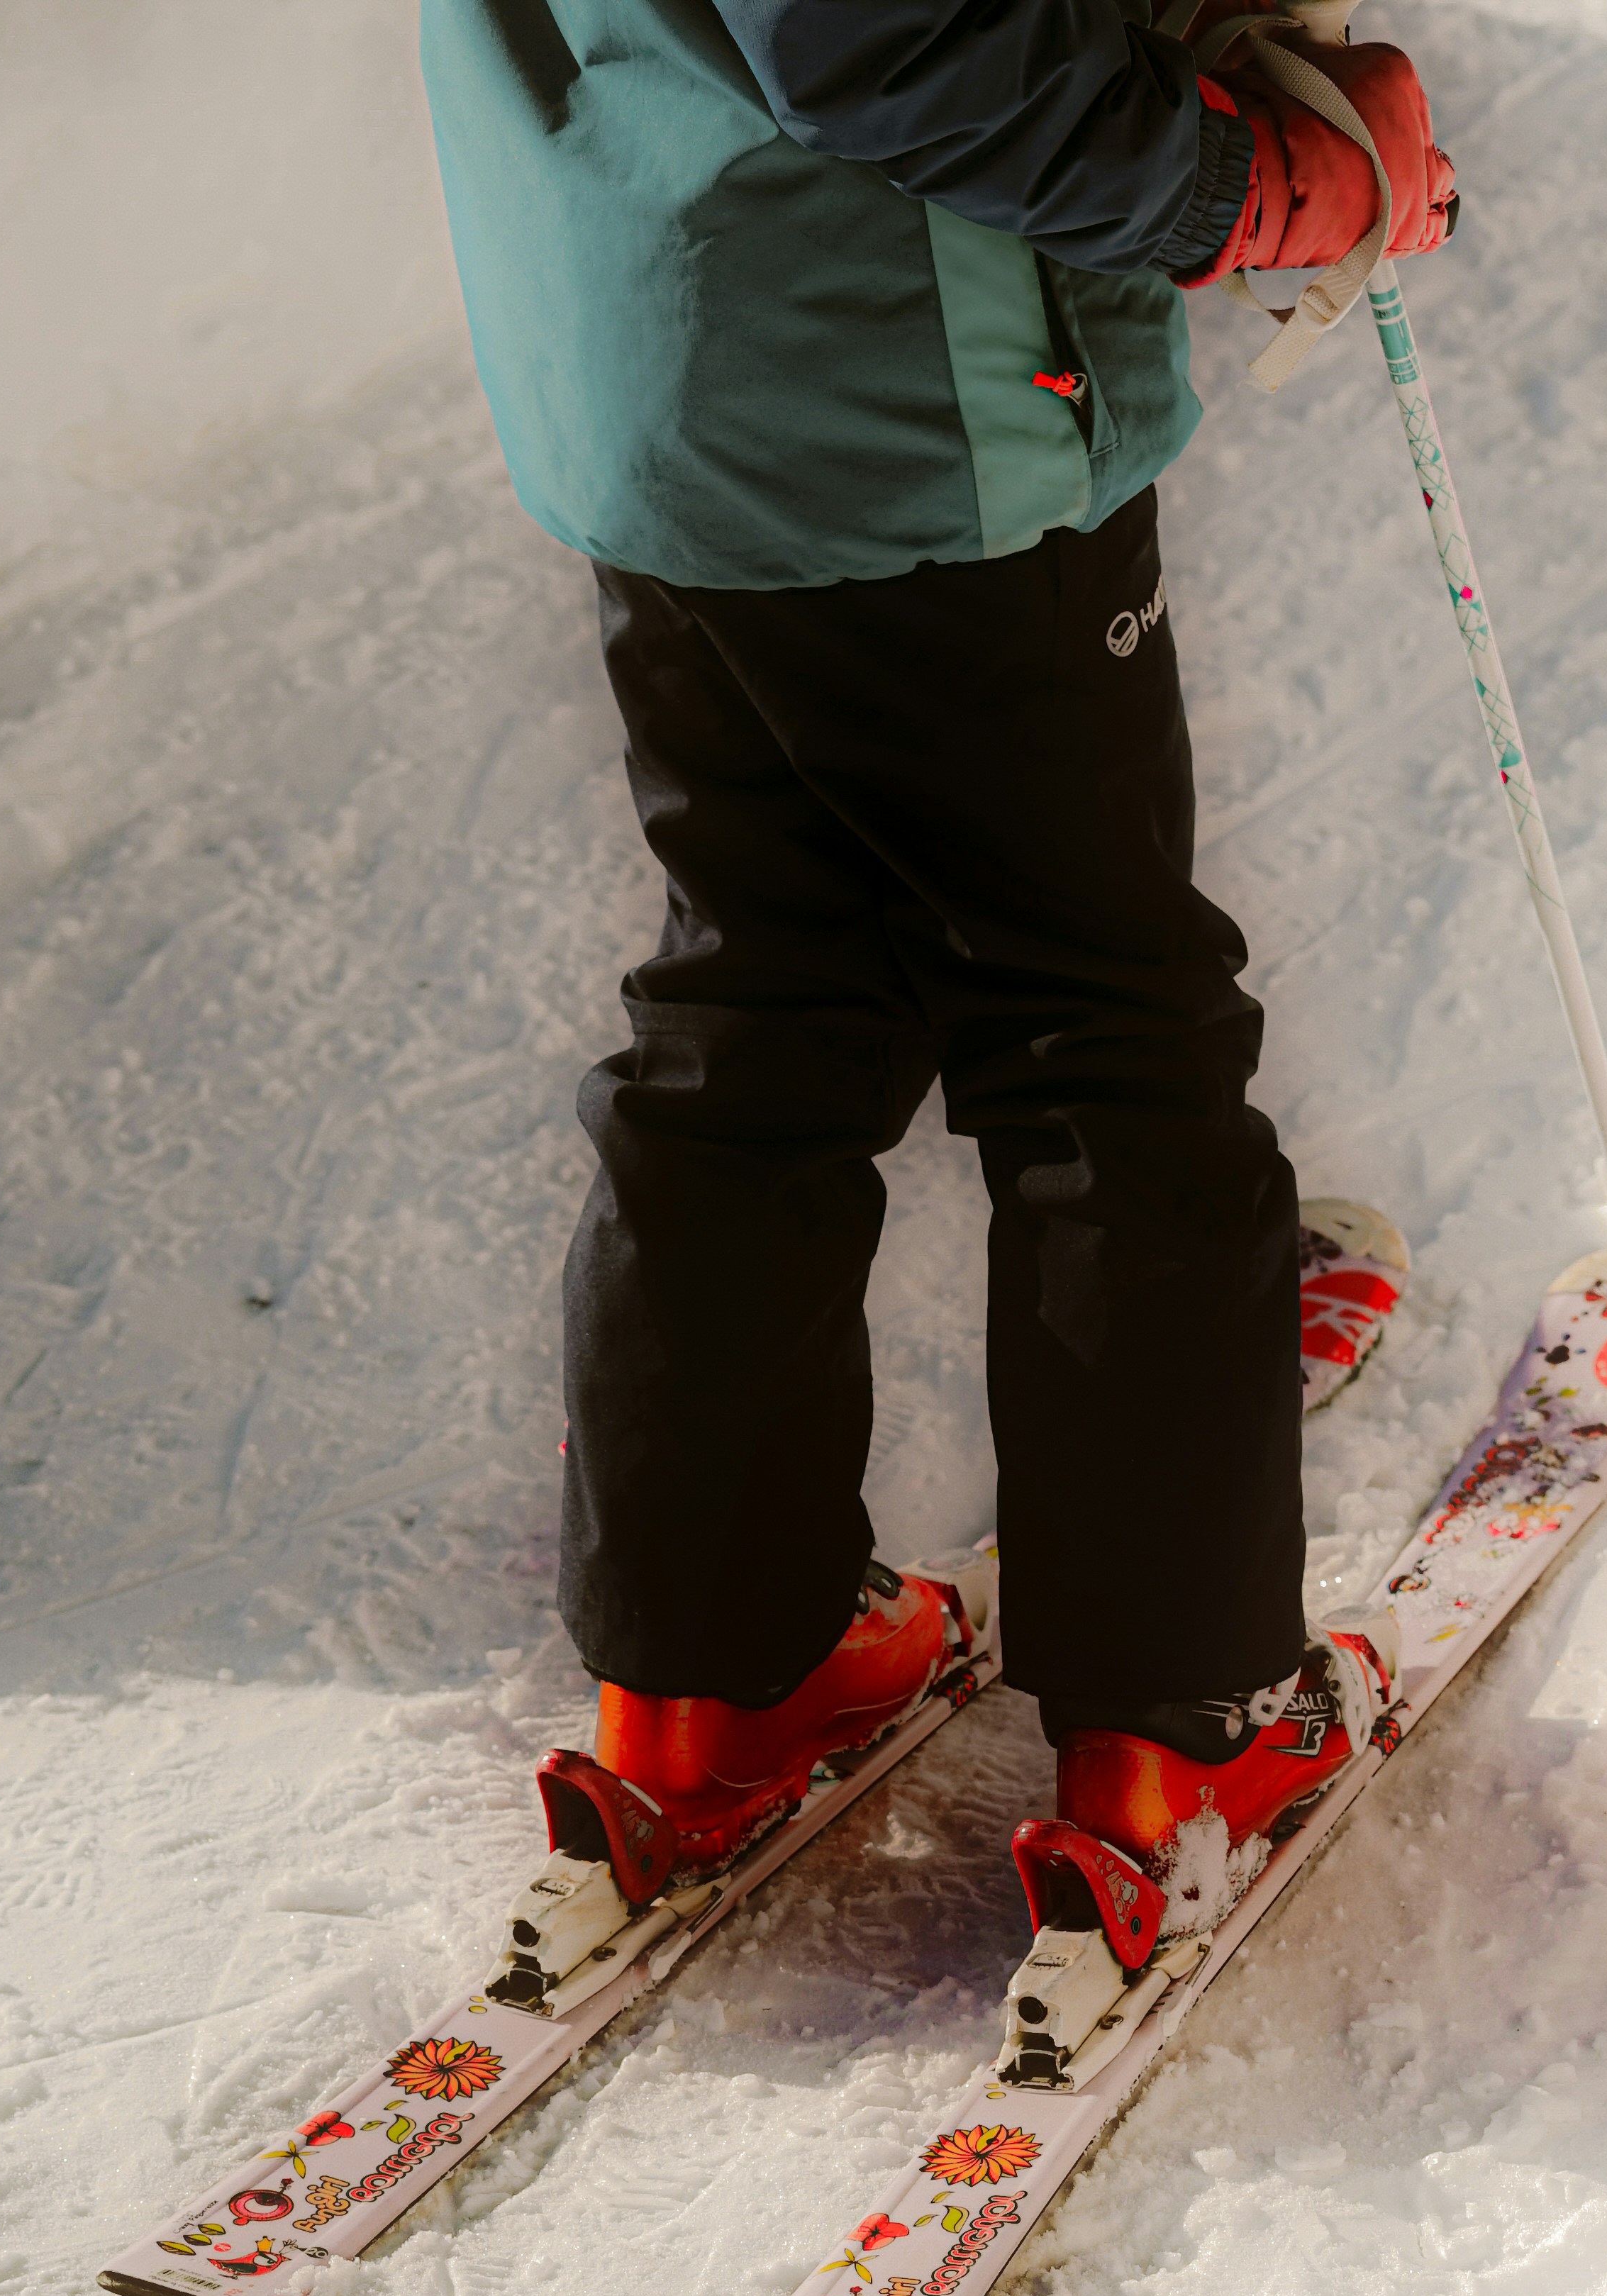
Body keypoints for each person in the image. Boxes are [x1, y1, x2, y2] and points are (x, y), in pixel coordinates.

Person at [418, 0, 1456, 1921]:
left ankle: (713, 1675)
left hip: (658, 361)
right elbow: (884, 40)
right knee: (1103, 1033)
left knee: (760, 998)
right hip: (917, 395)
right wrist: (1237, 177)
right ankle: (1184, 1721)